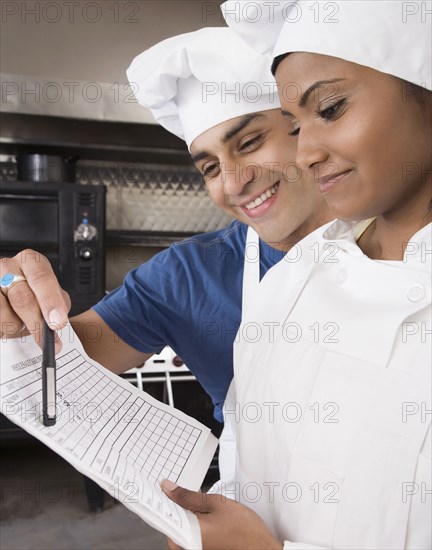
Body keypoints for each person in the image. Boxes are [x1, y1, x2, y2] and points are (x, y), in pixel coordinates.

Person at [160, 2, 432, 549]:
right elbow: (247, 457)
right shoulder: (291, 281)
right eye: (293, 126)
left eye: (329, 108)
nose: (305, 152)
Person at [0, 29, 331, 434]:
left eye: (249, 142)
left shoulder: (406, 241)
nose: (232, 183)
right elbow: (51, 364)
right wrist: (13, 307)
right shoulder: (187, 276)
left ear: (307, 131)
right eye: (209, 167)